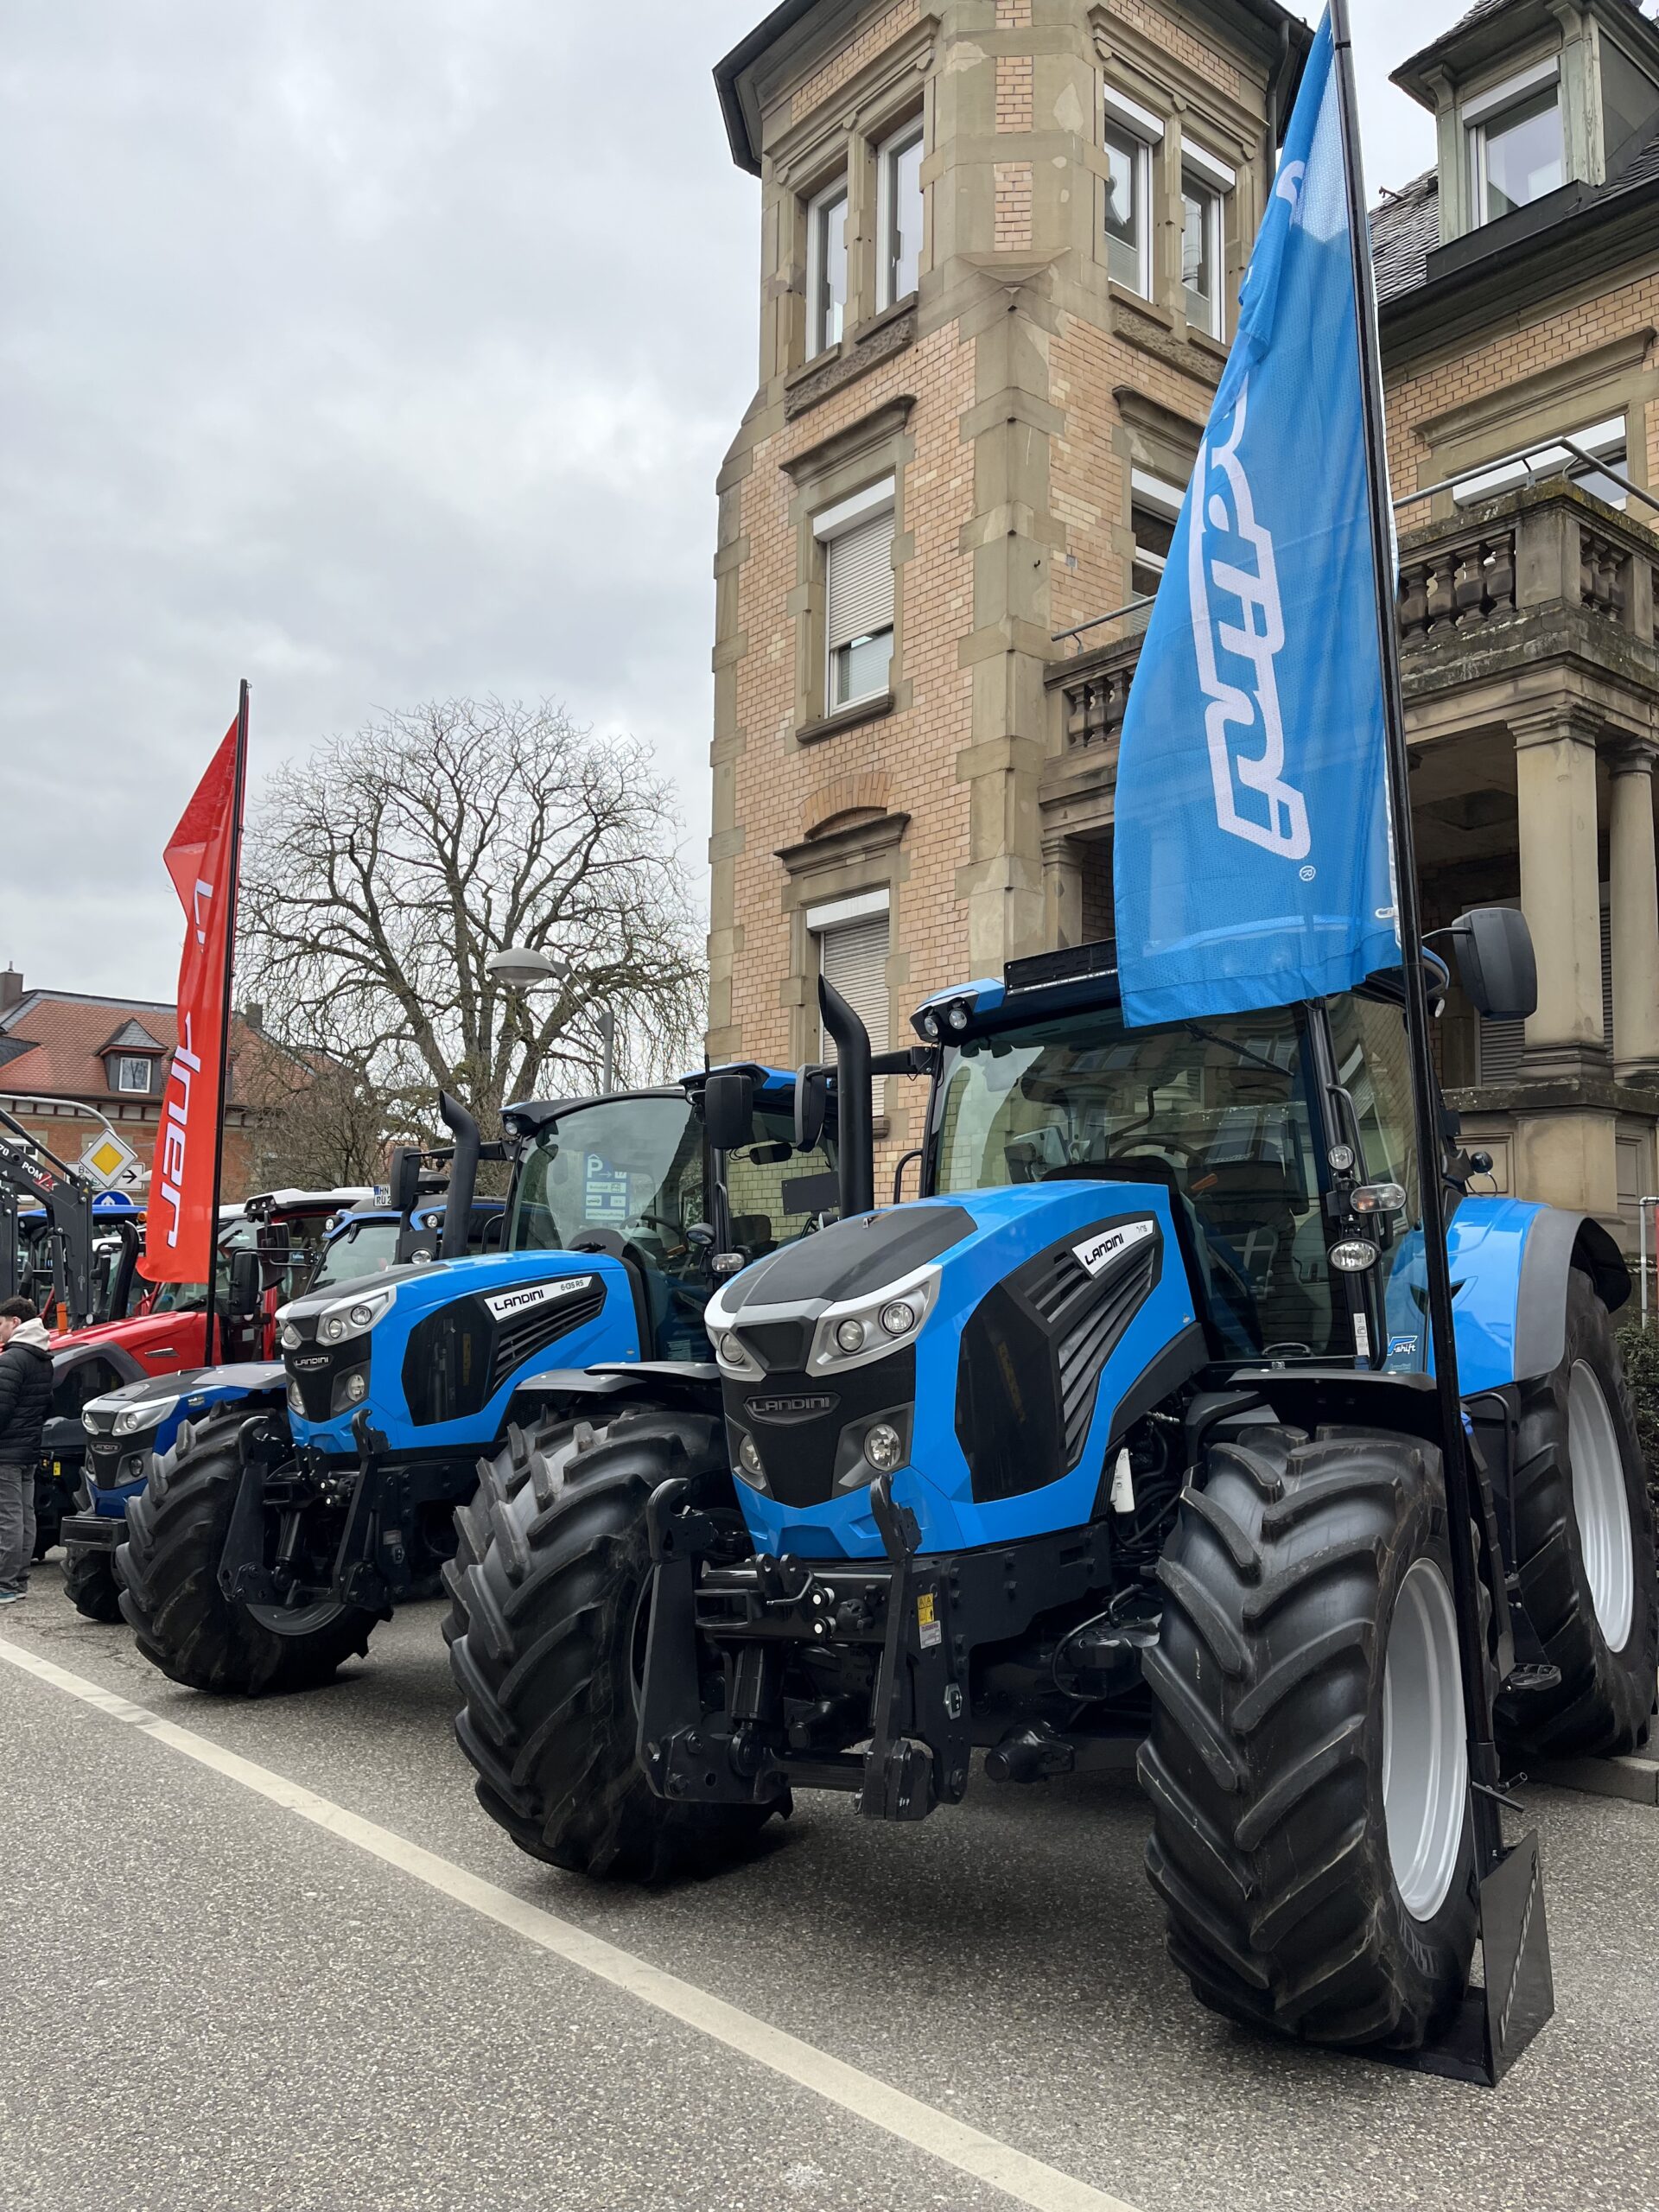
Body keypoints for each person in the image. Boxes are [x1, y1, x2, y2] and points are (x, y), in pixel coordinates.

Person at [0, 1294, 54, 1605]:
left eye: (1, 1324)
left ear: (15, 1322)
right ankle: (19, 1581)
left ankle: (5, 1584)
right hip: (29, 1449)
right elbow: (47, 1405)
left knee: (8, 1518)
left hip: (6, 1451)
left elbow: (2, 1409)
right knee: (24, 1514)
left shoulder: (11, 1360)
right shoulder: (43, 1358)